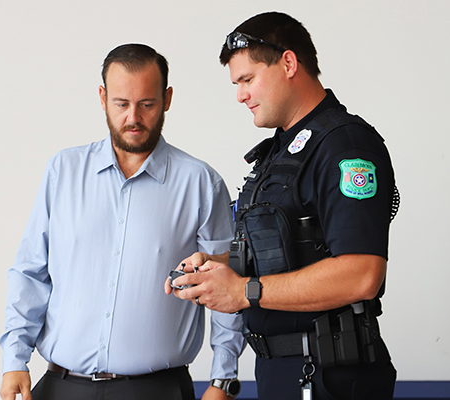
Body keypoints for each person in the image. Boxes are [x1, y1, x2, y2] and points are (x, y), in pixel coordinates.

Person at [166, 12, 398, 400]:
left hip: (331, 378)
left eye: (247, 79)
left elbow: (362, 273)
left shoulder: (345, 147)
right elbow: (285, 254)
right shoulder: (281, 153)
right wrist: (215, 267)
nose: (240, 94)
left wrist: (244, 292)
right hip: (283, 374)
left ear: (289, 63)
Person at [0, 43, 244, 400]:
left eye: (147, 104)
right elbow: (30, 272)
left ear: (167, 99)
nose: (133, 118)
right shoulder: (62, 171)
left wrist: (222, 382)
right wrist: (14, 360)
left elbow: (225, 289)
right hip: (62, 386)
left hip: (158, 389)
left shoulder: (202, 183)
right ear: (102, 98)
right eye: (121, 104)